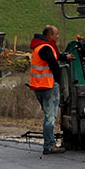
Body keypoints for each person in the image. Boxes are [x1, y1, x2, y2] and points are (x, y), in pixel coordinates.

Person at [30, 24, 67, 155]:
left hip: (38, 86)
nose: (57, 36)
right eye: (56, 34)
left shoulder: (38, 47)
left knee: (47, 116)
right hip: (48, 85)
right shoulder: (46, 48)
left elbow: (51, 58)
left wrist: (64, 57)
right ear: (49, 36)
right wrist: (59, 80)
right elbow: (53, 63)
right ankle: (49, 145)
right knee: (50, 117)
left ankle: (49, 143)